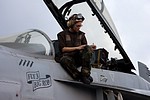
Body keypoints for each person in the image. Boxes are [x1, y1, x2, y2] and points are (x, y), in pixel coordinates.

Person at [57, 13, 96, 84]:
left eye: (80, 26)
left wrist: (90, 48)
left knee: (87, 48)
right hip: (69, 58)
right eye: (77, 26)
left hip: (79, 58)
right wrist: (77, 48)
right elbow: (63, 49)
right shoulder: (62, 34)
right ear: (72, 25)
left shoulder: (82, 35)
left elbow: (84, 47)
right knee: (64, 60)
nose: (79, 28)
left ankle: (85, 74)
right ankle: (79, 76)